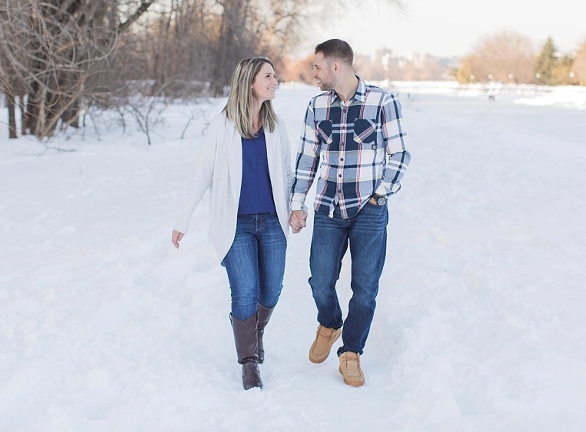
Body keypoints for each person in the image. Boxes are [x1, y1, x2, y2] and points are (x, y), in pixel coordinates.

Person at [171, 57, 299, 390]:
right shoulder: (222, 126)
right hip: (236, 225)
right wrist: (182, 219)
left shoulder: (276, 126)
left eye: (274, 75)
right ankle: (249, 363)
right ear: (250, 82)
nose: (275, 80)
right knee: (245, 293)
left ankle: (251, 337)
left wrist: (296, 207)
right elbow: (203, 174)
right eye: (268, 76)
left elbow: (287, 173)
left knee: (271, 292)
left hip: (272, 223)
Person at [288, 39, 411, 387]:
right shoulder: (316, 106)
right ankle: (329, 322)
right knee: (320, 279)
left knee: (365, 287)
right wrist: (297, 204)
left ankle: (351, 352)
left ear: (336, 67)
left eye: (317, 67)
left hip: (369, 210)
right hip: (328, 207)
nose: (313, 73)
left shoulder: (382, 101)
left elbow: (399, 155)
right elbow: (307, 158)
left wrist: (380, 195)